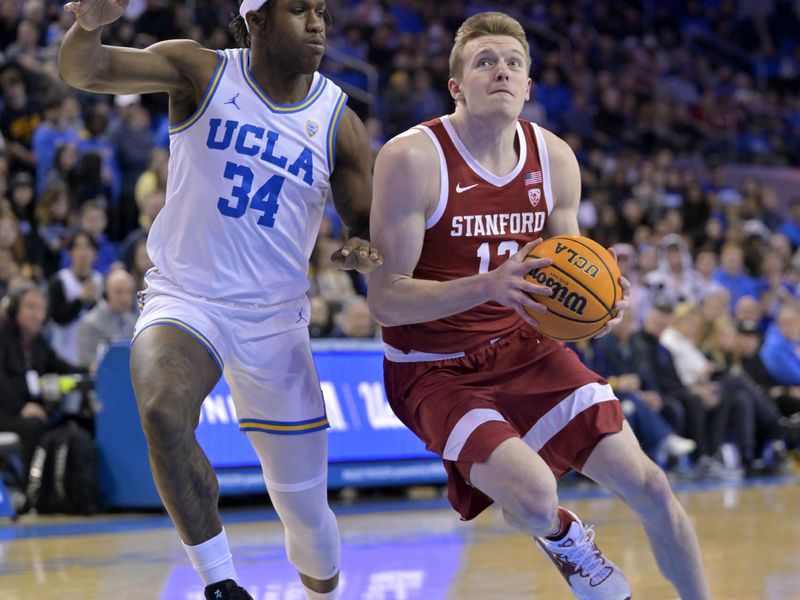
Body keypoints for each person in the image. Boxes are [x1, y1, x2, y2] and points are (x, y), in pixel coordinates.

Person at [367, 12, 709, 600]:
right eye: (485, 61)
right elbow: (385, 301)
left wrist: (599, 304)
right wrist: (488, 286)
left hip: (524, 348)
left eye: (514, 63)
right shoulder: (412, 158)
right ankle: (566, 539)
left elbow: (570, 268)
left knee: (651, 485)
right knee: (532, 498)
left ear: (529, 86)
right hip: (432, 364)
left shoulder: (553, 159)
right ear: (457, 87)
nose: (501, 70)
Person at [59, 1, 381, 599]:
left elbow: (362, 218)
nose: (318, 24)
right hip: (188, 298)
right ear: (255, 18)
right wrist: (89, 25)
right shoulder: (200, 72)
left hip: (275, 324)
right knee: (160, 408)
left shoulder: (339, 120)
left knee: (307, 519)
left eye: (322, 12)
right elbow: (88, 71)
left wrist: (361, 248)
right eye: (298, 10)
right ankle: (221, 584)